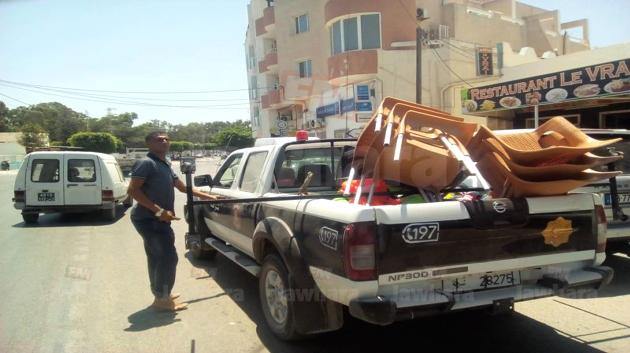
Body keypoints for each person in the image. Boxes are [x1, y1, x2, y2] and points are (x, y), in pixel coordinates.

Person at [127, 131, 221, 311]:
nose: (164, 141)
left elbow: (182, 187)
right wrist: (159, 211)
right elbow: (133, 191)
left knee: (157, 258)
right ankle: (162, 301)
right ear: (148, 144)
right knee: (167, 258)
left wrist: (207, 196)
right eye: (158, 139)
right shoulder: (146, 163)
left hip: (157, 219)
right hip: (149, 219)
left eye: (166, 139)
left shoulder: (164, 164)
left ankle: (161, 294)